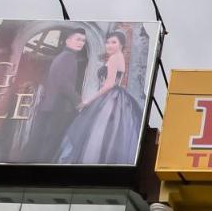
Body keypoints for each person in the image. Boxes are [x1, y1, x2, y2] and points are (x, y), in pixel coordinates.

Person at [58, 30, 143, 165]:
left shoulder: (115, 57)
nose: (109, 45)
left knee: (98, 132)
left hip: (110, 98)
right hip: (112, 97)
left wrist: (88, 101)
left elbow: (108, 84)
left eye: (114, 42)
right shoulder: (117, 57)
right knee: (102, 133)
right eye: (108, 42)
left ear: (121, 45)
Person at [22, 27, 87, 163]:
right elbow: (63, 83)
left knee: (39, 143)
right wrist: (78, 101)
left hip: (49, 106)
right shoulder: (68, 57)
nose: (81, 43)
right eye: (78, 39)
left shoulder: (61, 57)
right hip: (58, 108)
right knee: (49, 145)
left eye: (83, 40)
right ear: (67, 41)